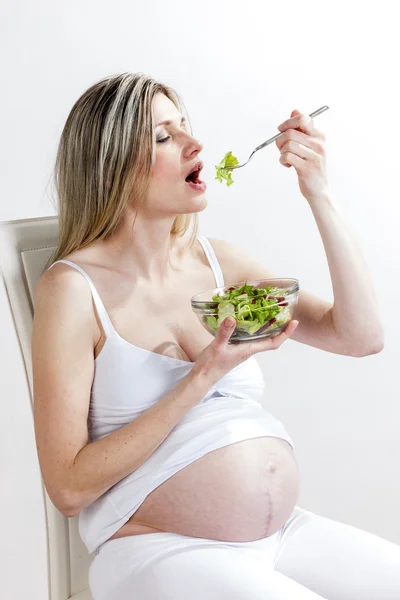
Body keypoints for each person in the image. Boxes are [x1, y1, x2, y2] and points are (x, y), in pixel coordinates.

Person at [32, 72, 399, 599]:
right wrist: (205, 373)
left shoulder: (218, 263)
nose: (194, 143)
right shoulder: (72, 290)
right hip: (159, 548)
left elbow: (360, 336)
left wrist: (318, 192)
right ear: (111, 169)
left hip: (280, 534)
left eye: (184, 126)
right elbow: (67, 488)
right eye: (164, 136)